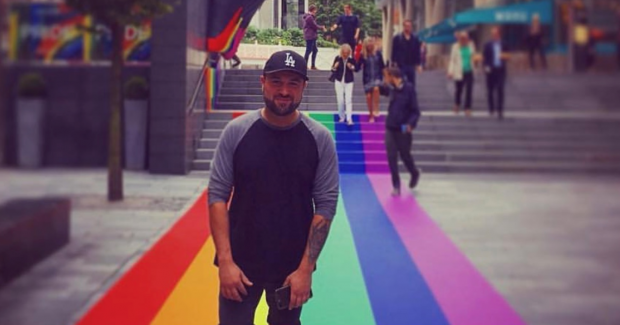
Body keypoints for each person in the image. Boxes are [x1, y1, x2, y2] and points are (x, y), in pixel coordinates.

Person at [208, 50, 339, 325]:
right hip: (240, 263)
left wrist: (306, 270)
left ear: (304, 87)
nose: (284, 90)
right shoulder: (237, 131)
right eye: (276, 81)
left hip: (291, 268)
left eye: (293, 83)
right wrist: (226, 262)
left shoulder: (319, 139)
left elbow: (325, 206)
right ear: (263, 81)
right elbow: (218, 196)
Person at [379, 67, 422, 196]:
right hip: (390, 127)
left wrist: (410, 124)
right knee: (391, 157)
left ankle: (414, 172)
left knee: (405, 155)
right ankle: (396, 185)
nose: (385, 78)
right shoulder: (391, 89)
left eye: (387, 76)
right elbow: (382, 90)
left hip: (403, 129)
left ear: (393, 76)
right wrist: (383, 84)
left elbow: (416, 111)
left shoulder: (408, 89)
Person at [483, 26, 510, 120]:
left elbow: (507, 55)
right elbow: (485, 57)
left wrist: (505, 57)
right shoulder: (487, 45)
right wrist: (486, 67)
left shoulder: (504, 44)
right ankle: (491, 108)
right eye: (492, 34)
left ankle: (500, 110)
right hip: (491, 70)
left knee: (500, 89)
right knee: (490, 90)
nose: (494, 35)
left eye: (495, 33)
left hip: (500, 69)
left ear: (499, 34)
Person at [448, 31, 477, 117]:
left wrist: (476, 61)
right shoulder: (455, 47)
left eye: (466, 38)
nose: (464, 39)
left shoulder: (471, 45)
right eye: (463, 38)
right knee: (459, 90)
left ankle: (467, 108)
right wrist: (450, 71)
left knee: (469, 90)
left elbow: (474, 56)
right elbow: (452, 60)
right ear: (460, 38)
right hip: (459, 71)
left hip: (469, 71)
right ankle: (457, 104)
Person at [357, 37, 385, 122]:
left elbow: (382, 66)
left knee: (376, 89)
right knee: (368, 97)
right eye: (368, 44)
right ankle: (371, 115)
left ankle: (376, 109)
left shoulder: (378, 53)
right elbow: (358, 67)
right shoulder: (363, 55)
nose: (369, 46)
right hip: (367, 79)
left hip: (377, 77)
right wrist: (352, 66)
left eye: (371, 44)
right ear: (365, 45)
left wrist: (386, 78)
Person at [331, 44, 356, 125]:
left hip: (349, 81)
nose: (345, 54)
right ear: (341, 52)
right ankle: (342, 117)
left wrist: (351, 67)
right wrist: (335, 66)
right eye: (344, 52)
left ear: (349, 52)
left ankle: (349, 118)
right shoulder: (338, 58)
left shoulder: (351, 59)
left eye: (347, 53)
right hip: (339, 81)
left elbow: (355, 68)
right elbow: (332, 69)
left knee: (348, 100)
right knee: (340, 100)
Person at [391, 19, 421, 87]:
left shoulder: (415, 38)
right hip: (401, 64)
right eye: (406, 26)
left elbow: (417, 51)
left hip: (411, 64)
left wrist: (418, 64)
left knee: (412, 83)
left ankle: (412, 96)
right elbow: (394, 50)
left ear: (411, 27)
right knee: (401, 82)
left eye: (409, 26)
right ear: (403, 26)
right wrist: (393, 62)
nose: (408, 27)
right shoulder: (397, 38)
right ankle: (401, 96)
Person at [303, 5, 326, 70]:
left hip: (312, 36)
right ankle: (304, 65)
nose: (316, 11)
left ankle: (312, 65)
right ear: (313, 10)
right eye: (315, 10)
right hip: (310, 36)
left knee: (314, 50)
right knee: (309, 50)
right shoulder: (309, 17)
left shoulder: (310, 17)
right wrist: (322, 27)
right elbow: (314, 26)